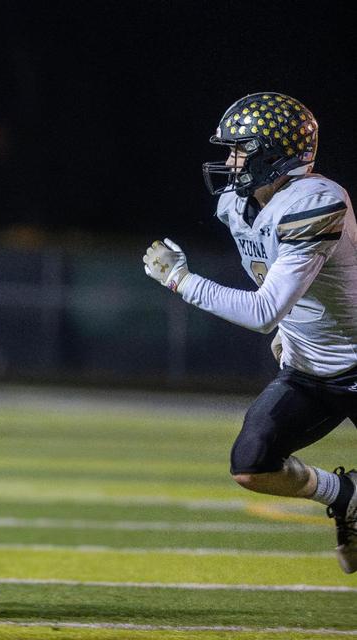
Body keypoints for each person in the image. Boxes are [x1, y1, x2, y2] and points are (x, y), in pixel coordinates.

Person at [143, 92, 357, 573]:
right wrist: (289, 329)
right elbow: (276, 282)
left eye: (240, 149)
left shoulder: (316, 202)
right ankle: (347, 494)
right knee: (252, 464)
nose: (230, 161)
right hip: (309, 366)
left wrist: (181, 281)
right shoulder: (236, 205)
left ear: (274, 154)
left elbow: (263, 309)